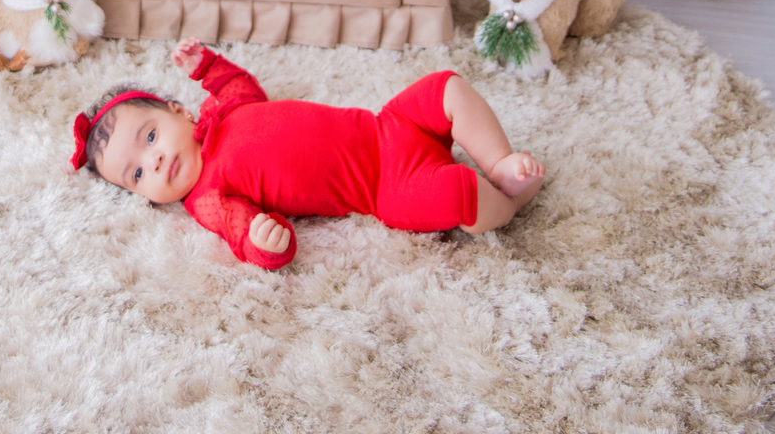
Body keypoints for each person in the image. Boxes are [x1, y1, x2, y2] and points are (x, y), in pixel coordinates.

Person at [70, 41, 545, 269]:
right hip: (386, 188)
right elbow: (239, 233)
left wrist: (208, 67)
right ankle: (510, 200)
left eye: (150, 138)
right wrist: (263, 242)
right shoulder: (208, 198)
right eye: (135, 174)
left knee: (445, 86)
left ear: (179, 112)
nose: (152, 163)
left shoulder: (224, 110)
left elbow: (242, 87)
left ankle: (497, 159)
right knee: (456, 194)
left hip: (388, 125)